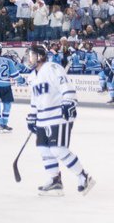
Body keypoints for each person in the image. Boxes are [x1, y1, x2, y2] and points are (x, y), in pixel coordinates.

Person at [23, 44, 95, 196]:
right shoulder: (31, 77)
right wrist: (32, 117)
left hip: (57, 115)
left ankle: (83, 176)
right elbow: (35, 99)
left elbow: (65, 86)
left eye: (31, 55)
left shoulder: (52, 68)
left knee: (58, 149)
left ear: (40, 56)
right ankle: (55, 180)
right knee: (44, 149)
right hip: (42, 118)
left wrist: (69, 101)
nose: (28, 59)